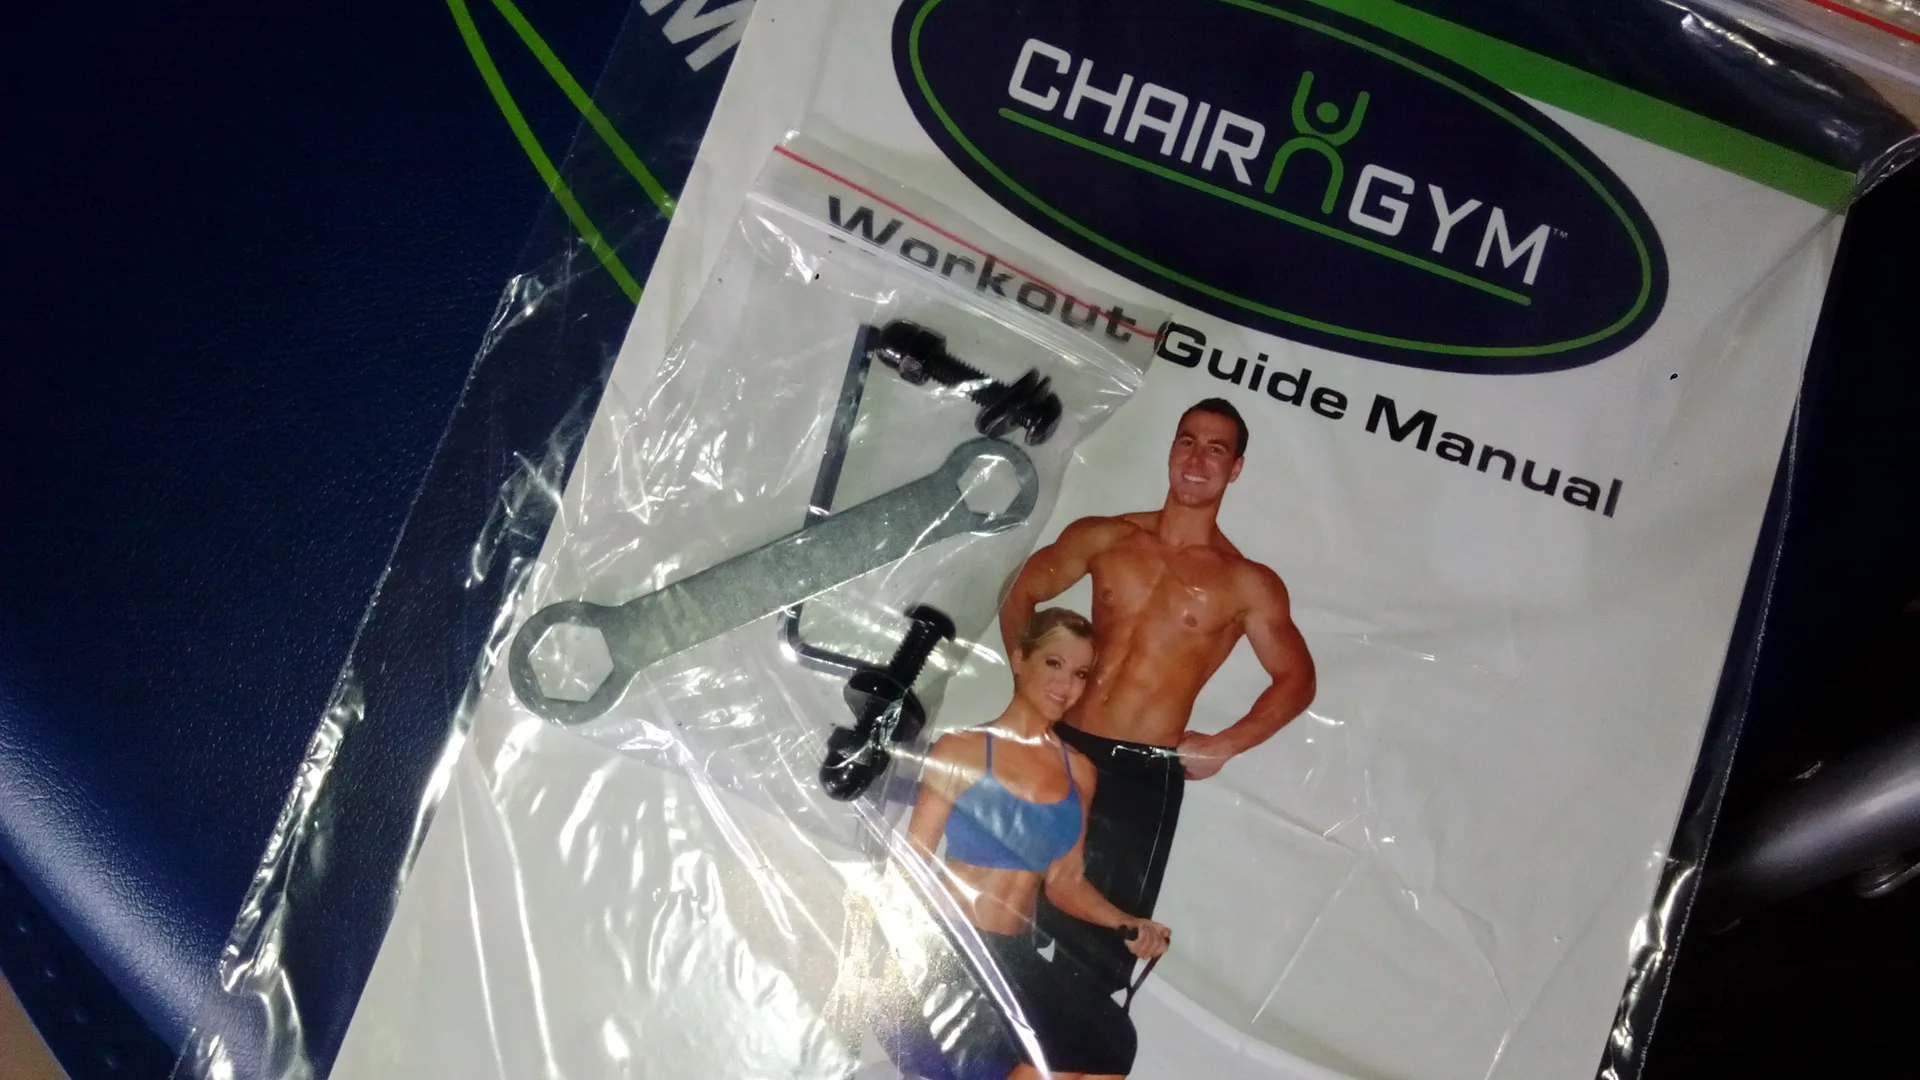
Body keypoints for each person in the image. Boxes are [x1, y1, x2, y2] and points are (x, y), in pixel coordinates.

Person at [998, 398, 1316, 993]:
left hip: (1142, 777)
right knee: (998, 910)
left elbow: (1297, 679)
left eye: (1216, 449)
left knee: (1092, 960)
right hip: (1059, 746)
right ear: (1171, 450)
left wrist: (1226, 744)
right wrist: (1029, 689)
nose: (1197, 458)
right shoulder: (1106, 537)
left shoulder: (1246, 583)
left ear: (1236, 469)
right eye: (1187, 441)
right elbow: (1021, 591)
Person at [907, 608, 1171, 1080]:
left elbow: (1065, 881)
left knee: (1113, 1041)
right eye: (1054, 663)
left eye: (1081, 673)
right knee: (1056, 1056)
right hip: (952, 946)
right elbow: (912, 862)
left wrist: (1127, 921)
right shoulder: (962, 749)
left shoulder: (1080, 772)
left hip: (1015, 954)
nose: (1066, 685)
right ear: (1018, 659)